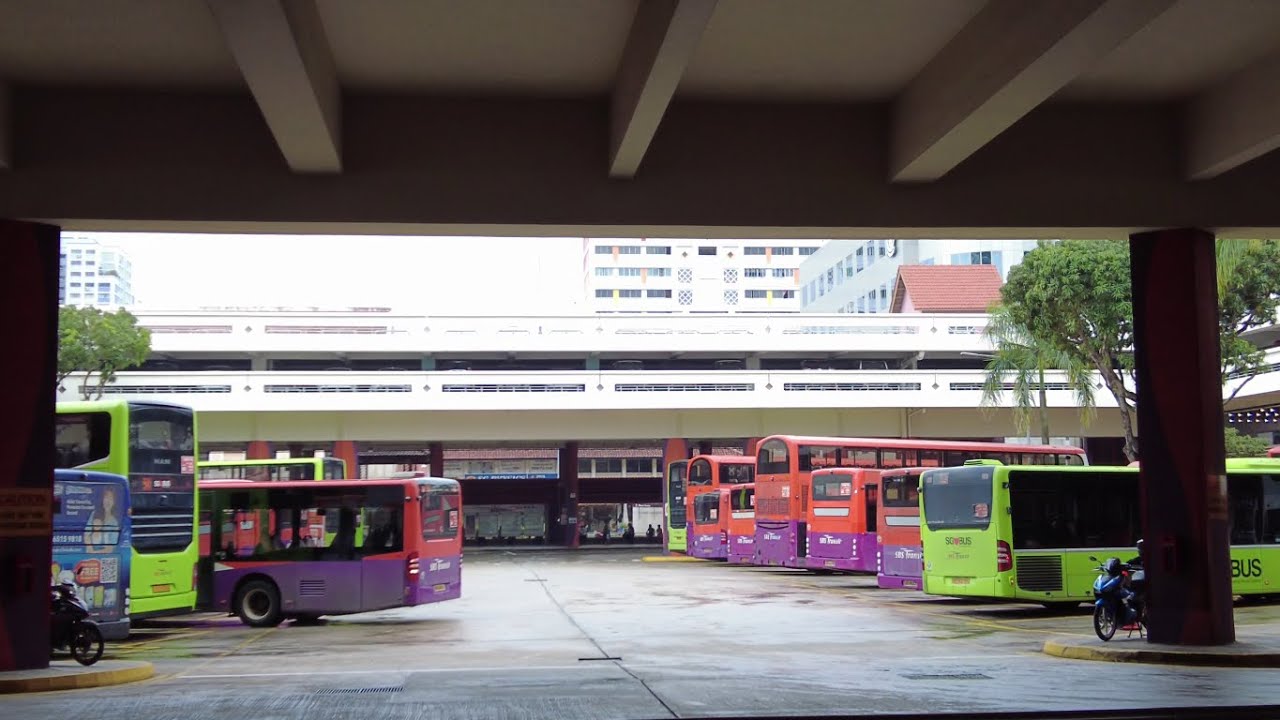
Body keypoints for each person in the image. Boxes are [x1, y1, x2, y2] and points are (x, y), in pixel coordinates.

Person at [85, 486, 122, 552]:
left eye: (111, 498)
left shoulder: (114, 523)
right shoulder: (94, 514)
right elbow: (86, 535)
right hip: (89, 556)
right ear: (102, 499)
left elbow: (110, 548)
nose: (108, 500)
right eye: (106, 497)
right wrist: (90, 550)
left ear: (114, 502)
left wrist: (96, 553)